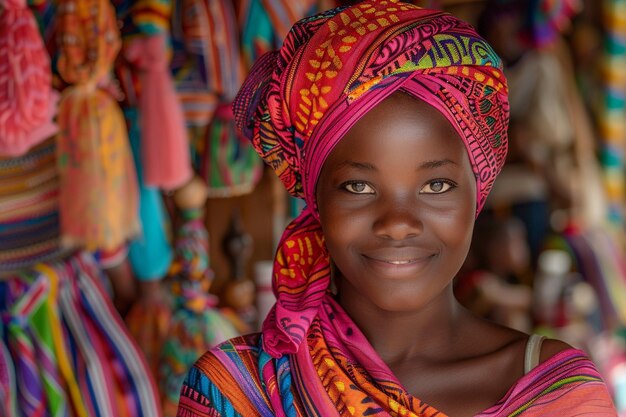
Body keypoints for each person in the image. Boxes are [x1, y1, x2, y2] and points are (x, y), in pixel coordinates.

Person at [176, 1, 617, 416]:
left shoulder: (557, 395)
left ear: (477, 194)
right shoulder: (240, 391)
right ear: (316, 197)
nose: (397, 224)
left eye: (437, 184)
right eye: (359, 186)